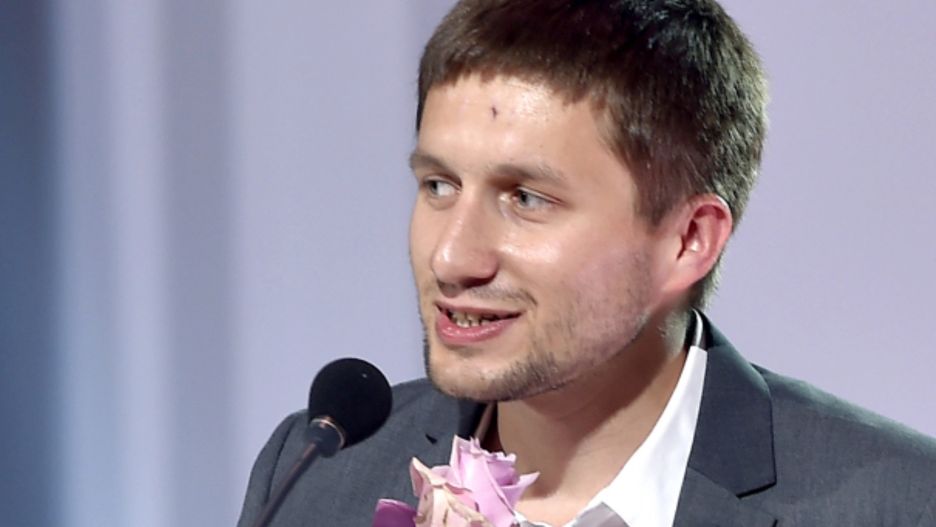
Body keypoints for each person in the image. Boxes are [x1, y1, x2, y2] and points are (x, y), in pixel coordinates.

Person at [237, 1, 936, 525]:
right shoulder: (315, 475)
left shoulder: (898, 504)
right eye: (439, 185)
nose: (452, 256)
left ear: (688, 240)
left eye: (526, 198)